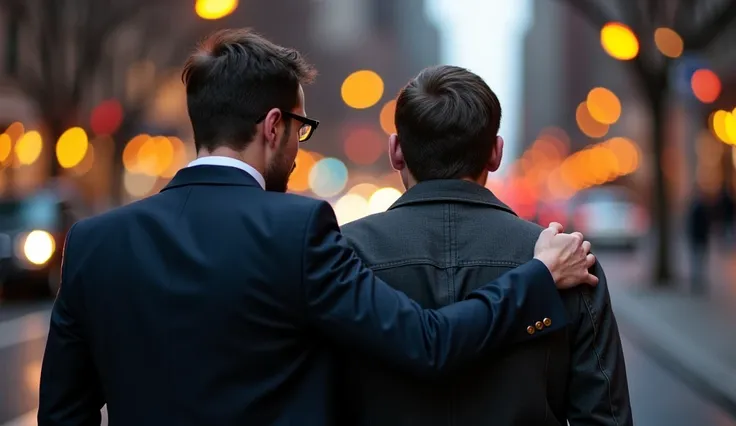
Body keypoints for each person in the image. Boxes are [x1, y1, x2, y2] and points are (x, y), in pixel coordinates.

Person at [38, 30, 597, 426]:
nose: (299, 149)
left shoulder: (92, 243)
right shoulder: (297, 230)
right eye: (301, 129)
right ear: (273, 126)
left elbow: (63, 412)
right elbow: (429, 344)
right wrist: (538, 276)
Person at [339, 65, 632, 425]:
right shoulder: (566, 261)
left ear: (396, 151)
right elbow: (606, 418)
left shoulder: (341, 254)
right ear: (495, 153)